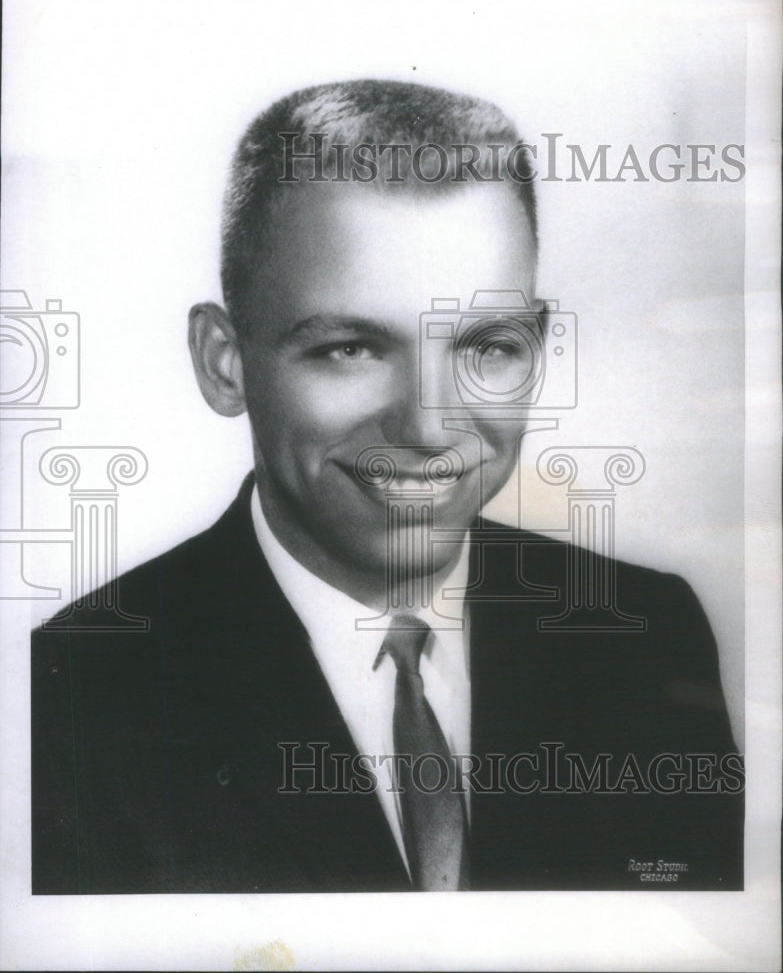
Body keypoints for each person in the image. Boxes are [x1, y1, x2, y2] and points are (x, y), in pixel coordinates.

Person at [31, 79, 743, 894]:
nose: (429, 428)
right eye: (350, 349)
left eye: (485, 346)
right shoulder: (70, 698)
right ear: (224, 362)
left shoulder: (646, 639)